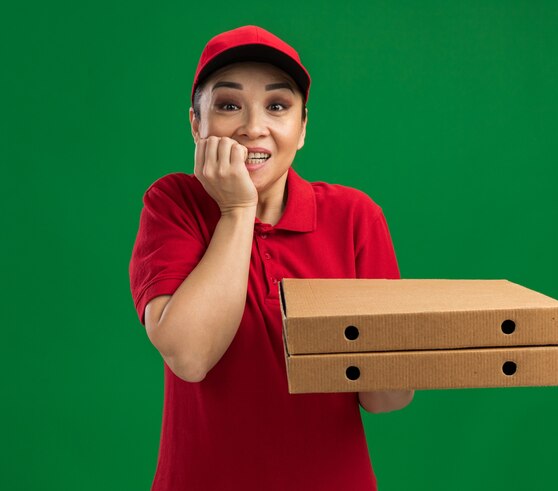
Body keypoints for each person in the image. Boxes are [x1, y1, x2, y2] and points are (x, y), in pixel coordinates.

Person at [129, 25, 414, 491]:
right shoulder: (173, 204)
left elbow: (385, 398)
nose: (252, 127)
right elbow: (190, 355)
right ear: (196, 124)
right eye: (227, 105)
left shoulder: (355, 217)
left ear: (302, 129)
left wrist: (408, 353)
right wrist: (238, 210)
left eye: (277, 106)